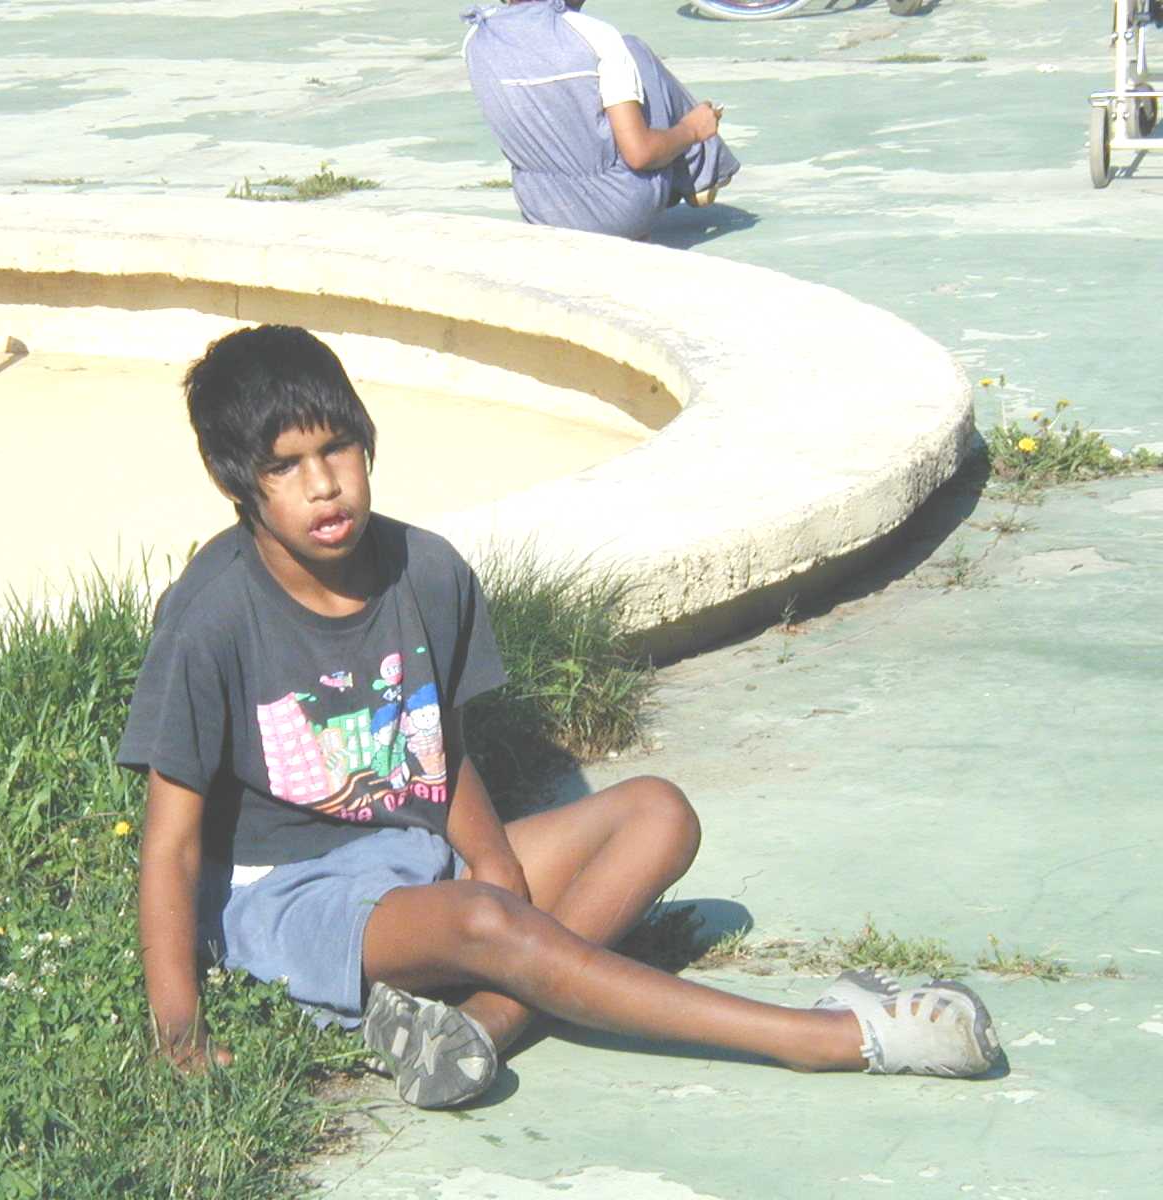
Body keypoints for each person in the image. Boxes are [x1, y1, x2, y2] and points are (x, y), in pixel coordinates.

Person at [119, 325, 1000, 1108]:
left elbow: (440, 747)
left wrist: (496, 856)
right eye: (285, 466)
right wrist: (180, 1035)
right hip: (284, 897)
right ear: (241, 484)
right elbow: (173, 847)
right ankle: (818, 1038)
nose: (324, 485)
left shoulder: (426, 571)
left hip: (411, 857)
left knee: (656, 812)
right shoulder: (213, 617)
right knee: (485, 922)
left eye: (338, 448)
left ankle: (482, 1029)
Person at [463, 0, 740, 241]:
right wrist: (691, 129)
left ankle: (701, 174)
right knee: (634, 50)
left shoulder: (476, 38)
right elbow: (640, 154)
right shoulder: (595, 35)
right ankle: (704, 172)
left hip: (542, 212)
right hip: (620, 214)